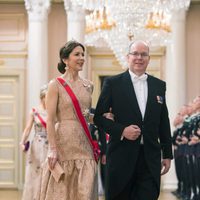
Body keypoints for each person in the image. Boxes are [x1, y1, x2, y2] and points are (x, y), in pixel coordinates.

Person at [94, 40, 173, 200]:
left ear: (149, 59)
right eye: (135, 53)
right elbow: (98, 118)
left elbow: (163, 121)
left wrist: (167, 153)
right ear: (127, 57)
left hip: (150, 158)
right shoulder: (112, 83)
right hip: (121, 156)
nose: (139, 57)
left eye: (144, 54)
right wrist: (122, 130)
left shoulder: (159, 85)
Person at [39, 40, 98, 200]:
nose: (81, 58)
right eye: (77, 54)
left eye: (83, 55)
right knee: (62, 190)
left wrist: (104, 119)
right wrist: (52, 149)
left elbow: (86, 117)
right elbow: (50, 120)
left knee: (85, 186)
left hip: (84, 142)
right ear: (65, 60)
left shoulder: (88, 85)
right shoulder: (55, 85)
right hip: (63, 143)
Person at [20, 84, 48, 200]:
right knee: (35, 173)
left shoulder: (53, 111)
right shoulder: (34, 111)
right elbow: (28, 128)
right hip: (37, 145)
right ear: (42, 97)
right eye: (48, 96)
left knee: (47, 173)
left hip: (50, 145)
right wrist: (22, 142)